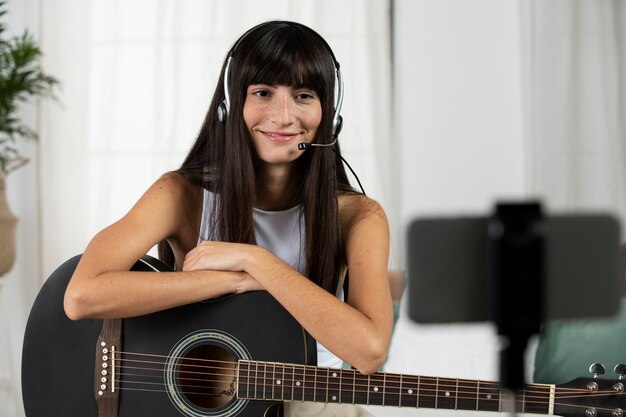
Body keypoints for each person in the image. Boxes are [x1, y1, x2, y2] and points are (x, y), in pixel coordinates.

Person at [63, 20, 393, 416]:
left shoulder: (358, 215)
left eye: (304, 95)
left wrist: (258, 262)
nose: (283, 116)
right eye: (263, 93)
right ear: (230, 105)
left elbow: (370, 352)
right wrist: (234, 281)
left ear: (329, 114)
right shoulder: (181, 195)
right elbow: (82, 295)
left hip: (313, 403)